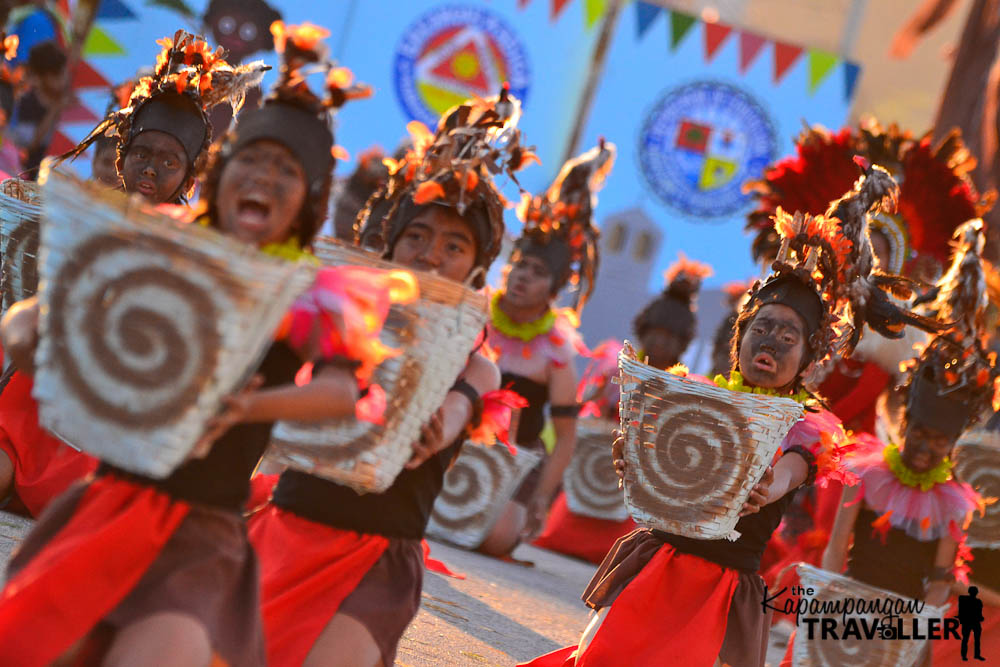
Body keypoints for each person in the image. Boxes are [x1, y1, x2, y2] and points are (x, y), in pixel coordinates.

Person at [0, 26, 378, 666]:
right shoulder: (149, 240)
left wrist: (245, 408)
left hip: (201, 536)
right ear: (223, 174)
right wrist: (27, 335)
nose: (262, 176)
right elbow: (32, 314)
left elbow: (344, 391)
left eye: (284, 170)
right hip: (105, 506)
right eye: (251, 161)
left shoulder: (312, 292)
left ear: (310, 201)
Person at [522, 163, 934, 667]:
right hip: (657, 564)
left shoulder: (804, 424)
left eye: (788, 338)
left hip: (719, 589)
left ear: (808, 358)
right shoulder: (696, 399)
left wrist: (771, 485)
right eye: (761, 329)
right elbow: (655, 465)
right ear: (738, 340)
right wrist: (635, 456)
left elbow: (794, 467)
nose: (771, 343)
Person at [247, 83, 534, 667]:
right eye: (418, 237)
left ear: (477, 269)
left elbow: (463, 400)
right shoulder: (339, 317)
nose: (431, 255)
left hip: (376, 563)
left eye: (454, 246)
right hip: (288, 531)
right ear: (390, 247)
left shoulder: (475, 363)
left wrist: (442, 422)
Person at [0, 31, 254, 521]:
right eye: (142, 154)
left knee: (101, 512)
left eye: (169, 161)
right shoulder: (82, 216)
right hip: (35, 404)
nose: (150, 169)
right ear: (121, 156)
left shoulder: (199, 249)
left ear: (189, 176)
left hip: (115, 425)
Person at [808, 219, 994, 665]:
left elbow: (938, 577)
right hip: (848, 609)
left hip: (904, 627)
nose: (924, 450)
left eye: (937, 443)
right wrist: (824, 609)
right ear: (903, 426)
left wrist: (916, 638)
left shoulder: (952, 505)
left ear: (952, 447)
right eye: (918, 436)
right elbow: (837, 548)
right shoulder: (869, 477)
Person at [477, 139, 613, 557]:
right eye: (519, 265)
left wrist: (540, 497)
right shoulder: (476, 317)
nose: (521, 277)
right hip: (457, 445)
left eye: (536, 272)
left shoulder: (557, 353)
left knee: (496, 538)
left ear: (554, 288)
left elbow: (566, 437)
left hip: (517, 463)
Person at [533, 254, 709, 564]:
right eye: (655, 331)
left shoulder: (682, 386)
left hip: (640, 480)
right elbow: (586, 404)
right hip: (596, 465)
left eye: (669, 337)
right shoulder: (617, 364)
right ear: (644, 328)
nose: (660, 341)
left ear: (682, 342)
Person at [8, 39, 64, 176]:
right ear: (43, 76)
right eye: (57, 75)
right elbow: (29, 145)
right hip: (33, 173)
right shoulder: (29, 102)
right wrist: (54, 111)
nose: (63, 79)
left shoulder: (64, 96)